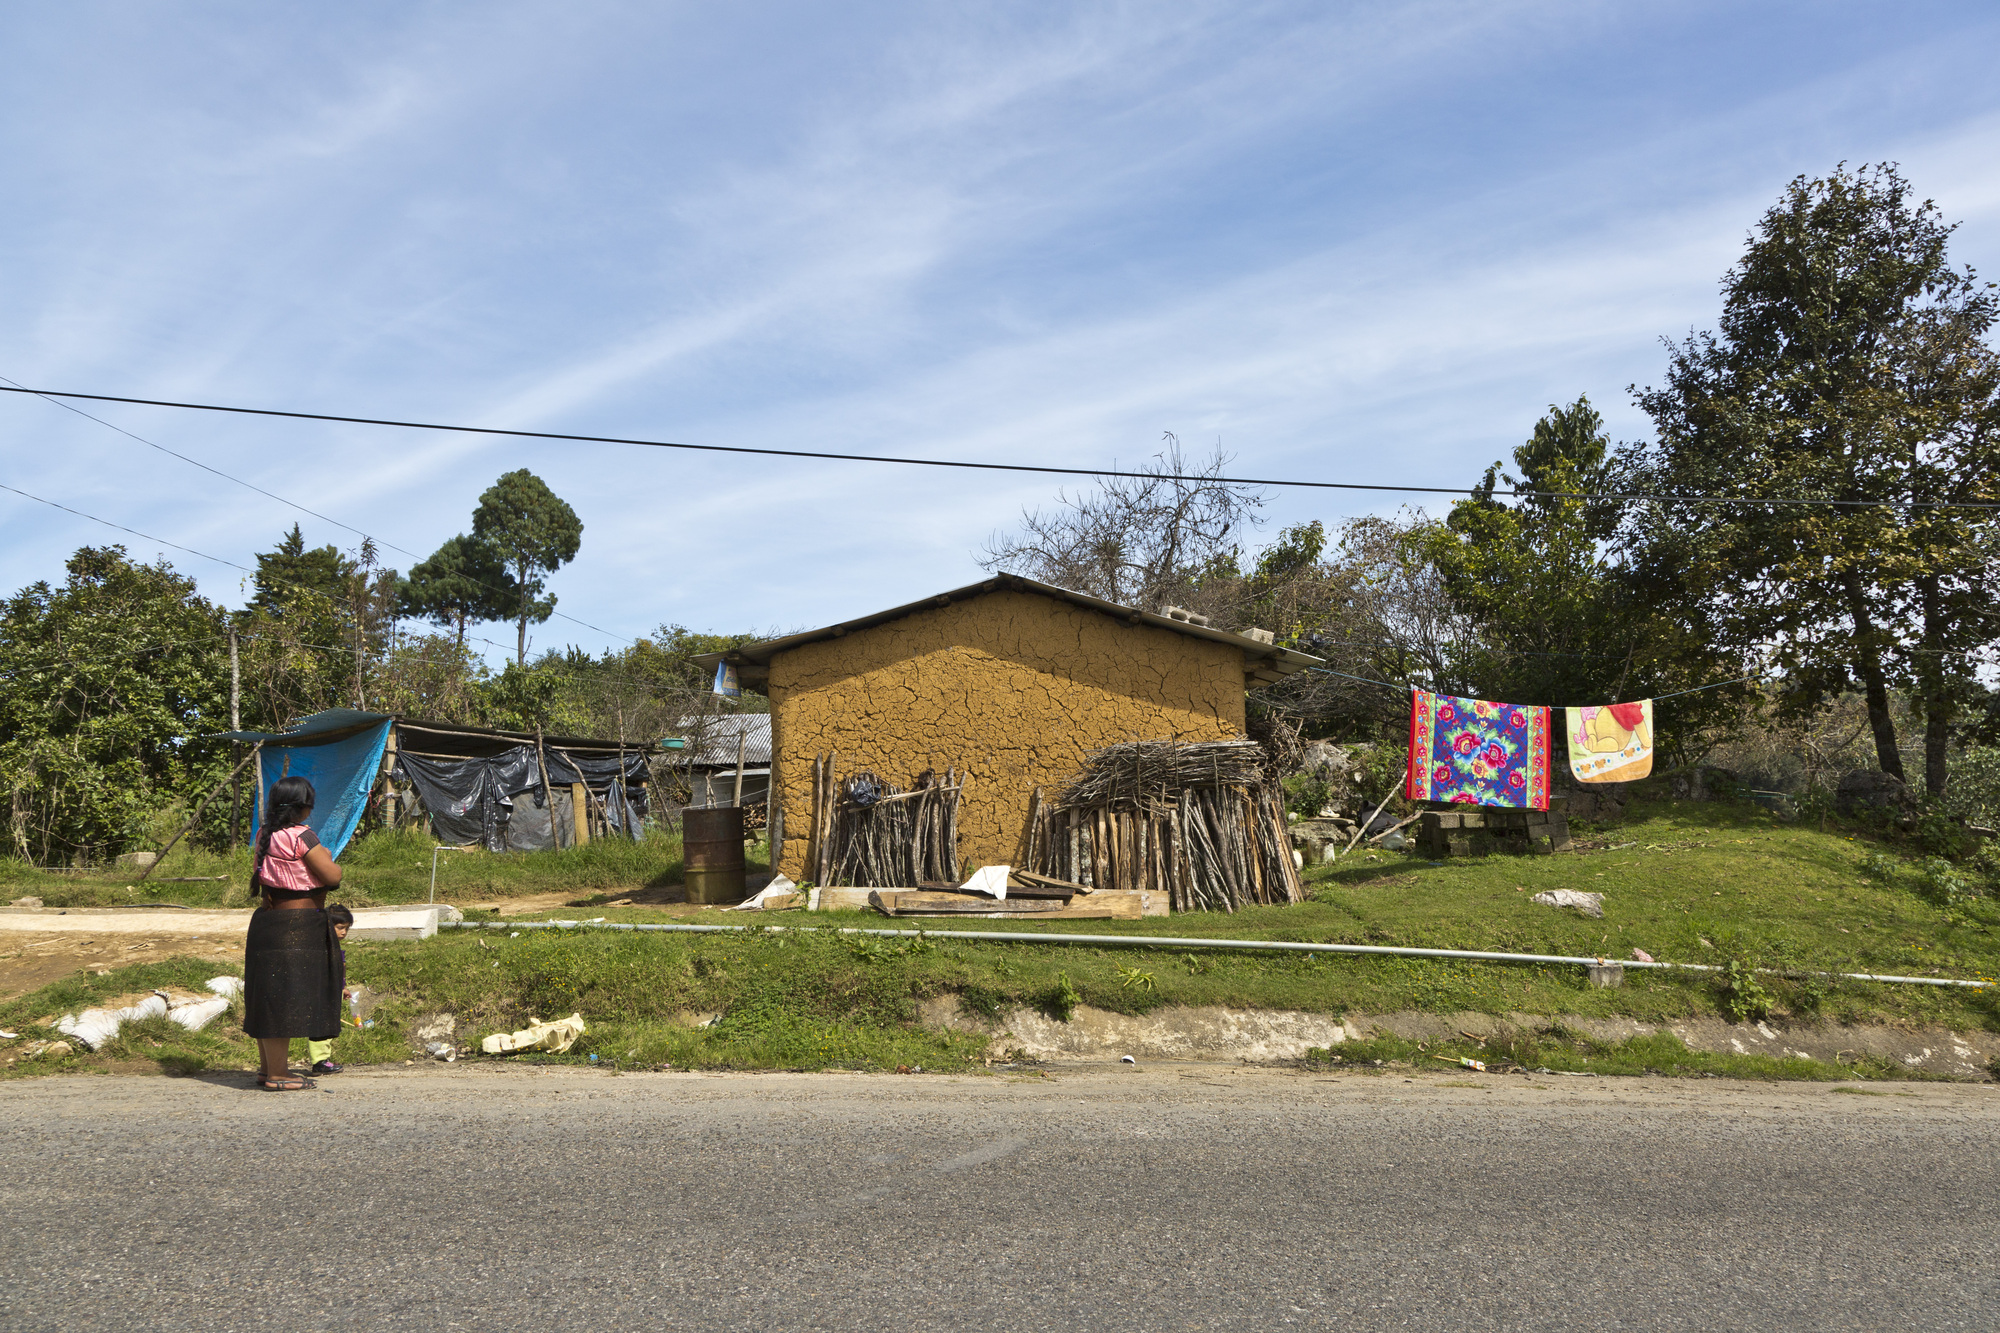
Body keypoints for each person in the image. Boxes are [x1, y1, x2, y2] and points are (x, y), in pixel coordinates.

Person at [241, 776, 343, 1091]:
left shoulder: (264, 835)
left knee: (269, 997)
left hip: (267, 924)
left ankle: (267, 1069)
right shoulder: (302, 836)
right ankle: (278, 1075)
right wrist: (328, 856)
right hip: (296, 927)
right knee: (283, 999)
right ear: (304, 807)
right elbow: (333, 876)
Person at [304, 904, 355, 1076]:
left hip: (331, 992)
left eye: (346, 929)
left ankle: (323, 1060)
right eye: (340, 928)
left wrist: (342, 988)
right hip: (321, 993)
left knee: (328, 1025)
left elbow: (337, 972)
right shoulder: (319, 948)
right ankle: (319, 1061)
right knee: (321, 1025)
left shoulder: (335, 948)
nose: (344, 932)